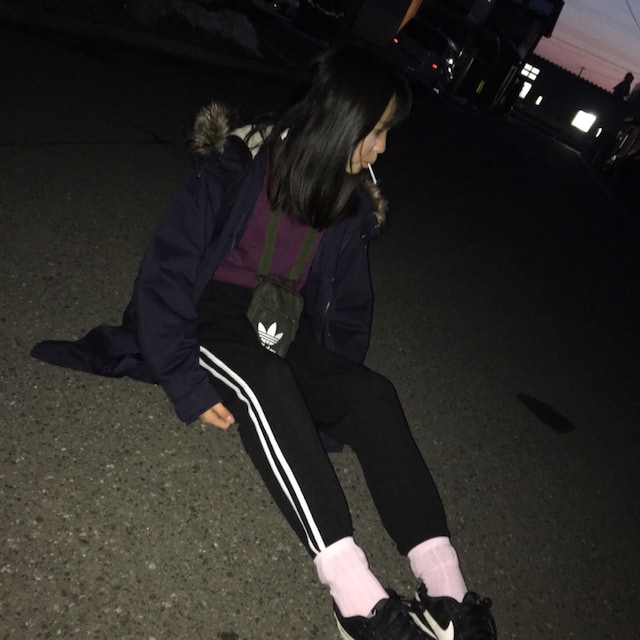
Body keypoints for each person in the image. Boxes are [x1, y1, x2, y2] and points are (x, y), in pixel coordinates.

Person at [31, 43, 496, 640]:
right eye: (377, 131)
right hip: (206, 317)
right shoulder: (235, 165)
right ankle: (356, 599)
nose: (382, 148)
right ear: (338, 121)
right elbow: (164, 274)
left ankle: (447, 592)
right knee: (267, 381)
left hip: (280, 323)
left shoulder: (348, 199)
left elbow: (348, 311)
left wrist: (326, 396)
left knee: (373, 393)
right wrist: (185, 382)